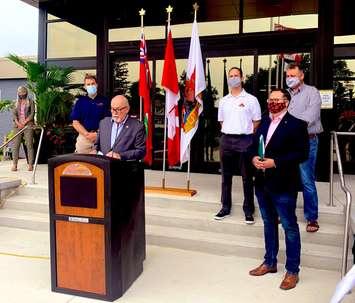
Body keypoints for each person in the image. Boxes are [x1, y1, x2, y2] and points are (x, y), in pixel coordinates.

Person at [249, 88, 309, 290]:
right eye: (270, 99)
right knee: (268, 223)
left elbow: (301, 154)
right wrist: (254, 158)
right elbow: (252, 145)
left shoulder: (297, 125)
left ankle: (292, 271)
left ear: (287, 102)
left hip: (283, 184)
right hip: (262, 183)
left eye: (277, 99)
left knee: (289, 227)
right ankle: (270, 262)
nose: (273, 102)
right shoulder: (264, 121)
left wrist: (276, 163)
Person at [215, 67, 261, 224]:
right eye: (231, 76)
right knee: (225, 177)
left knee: (247, 177)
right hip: (226, 140)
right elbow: (221, 121)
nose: (233, 78)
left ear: (242, 78)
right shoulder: (223, 101)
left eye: (236, 76)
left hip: (245, 140)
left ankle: (248, 210)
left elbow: (257, 121)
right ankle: (225, 207)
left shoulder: (251, 99)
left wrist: (244, 132)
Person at [286, 63, 323, 233]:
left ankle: (312, 217)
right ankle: (285, 212)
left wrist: (289, 127)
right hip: (287, 143)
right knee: (287, 179)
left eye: (293, 75)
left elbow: (311, 116)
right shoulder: (286, 95)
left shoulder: (312, 92)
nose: (289, 78)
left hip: (307, 141)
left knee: (307, 180)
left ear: (301, 76)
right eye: (287, 76)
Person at [94, 95, 146, 160]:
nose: (115, 113)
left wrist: (120, 156)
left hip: (124, 167)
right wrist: (94, 152)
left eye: (118, 109)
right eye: (113, 109)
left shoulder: (137, 126)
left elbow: (141, 151)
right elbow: (97, 145)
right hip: (104, 166)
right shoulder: (103, 123)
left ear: (127, 109)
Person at [70, 74, 110, 154]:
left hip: (102, 137)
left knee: (102, 163)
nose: (91, 86)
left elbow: (109, 121)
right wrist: (87, 134)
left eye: (93, 84)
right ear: (85, 87)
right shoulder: (80, 102)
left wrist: (97, 134)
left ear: (97, 85)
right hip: (84, 138)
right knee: (82, 163)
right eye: (88, 84)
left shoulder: (105, 101)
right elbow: (75, 123)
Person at [11, 86, 35, 171]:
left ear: (26, 93)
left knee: (29, 145)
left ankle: (30, 165)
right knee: (15, 145)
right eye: (20, 94)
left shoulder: (31, 102)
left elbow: (32, 114)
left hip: (28, 125)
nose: (22, 95)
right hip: (17, 126)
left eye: (23, 94)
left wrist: (24, 123)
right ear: (18, 94)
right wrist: (18, 123)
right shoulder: (15, 102)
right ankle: (14, 165)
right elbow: (14, 115)